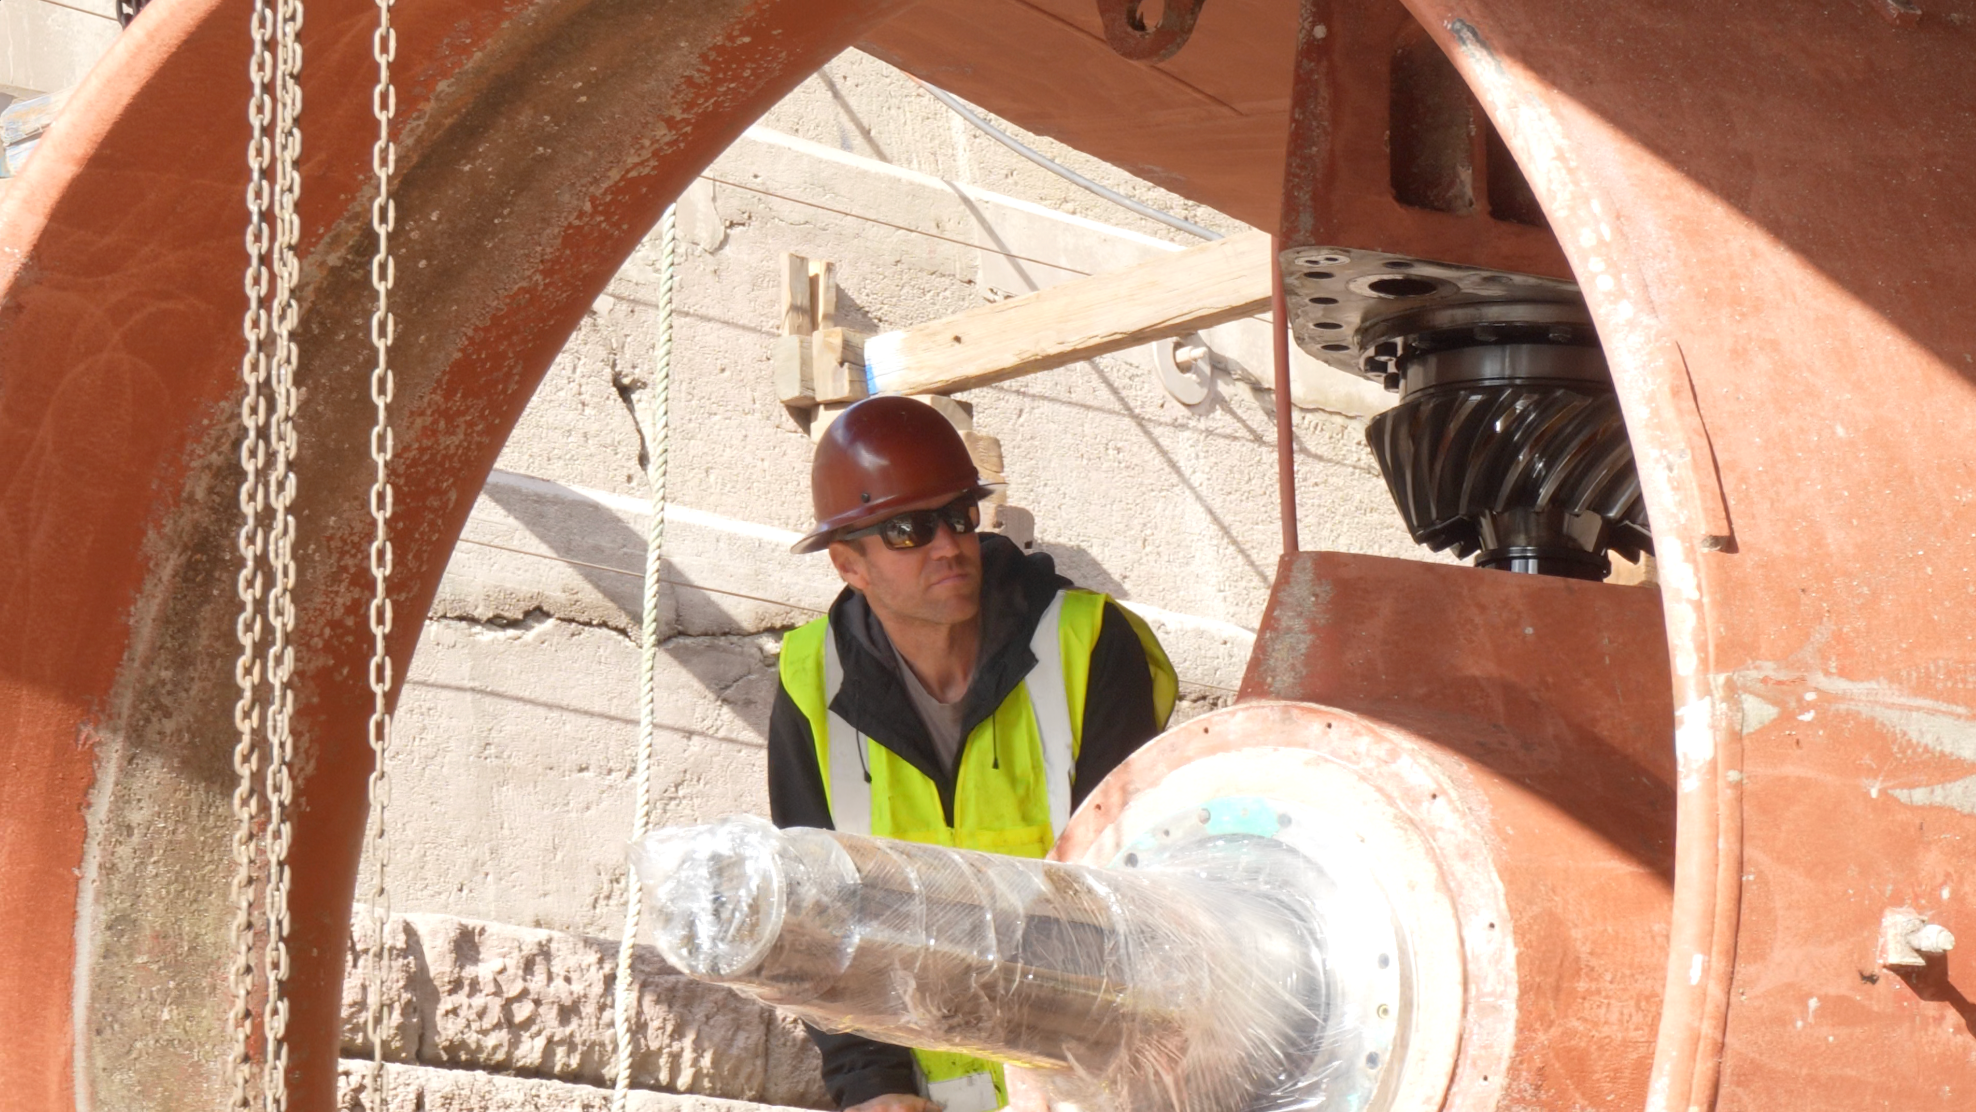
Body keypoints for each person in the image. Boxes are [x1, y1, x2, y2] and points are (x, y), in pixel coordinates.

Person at [768, 395, 1177, 1112]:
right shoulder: (810, 681)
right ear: (848, 564)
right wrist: (872, 1084)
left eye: (959, 515)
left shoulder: (1088, 647)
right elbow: (817, 913)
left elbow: (1140, 891)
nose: (949, 545)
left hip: (1093, 1082)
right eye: (907, 531)